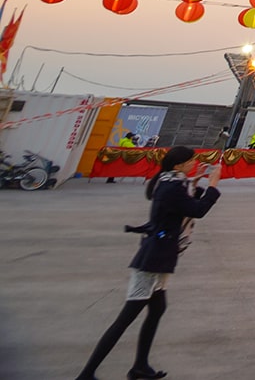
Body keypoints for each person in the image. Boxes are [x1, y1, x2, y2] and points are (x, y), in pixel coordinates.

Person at [75, 146, 219, 380]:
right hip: (154, 258)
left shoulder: (172, 183)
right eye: (191, 161)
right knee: (125, 319)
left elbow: (187, 202)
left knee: (157, 309)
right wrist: (213, 185)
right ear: (178, 165)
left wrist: (197, 181)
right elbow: (197, 209)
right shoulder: (172, 187)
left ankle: (140, 365)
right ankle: (86, 374)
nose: (194, 164)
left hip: (161, 256)